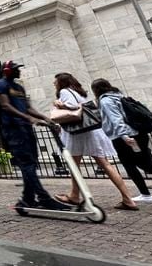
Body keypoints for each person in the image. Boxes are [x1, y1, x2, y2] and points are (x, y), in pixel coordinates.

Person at [91, 78, 152, 203]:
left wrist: (124, 136)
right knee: (146, 165)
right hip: (139, 134)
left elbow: (116, 119)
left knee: (129, 166)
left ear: (95, 90)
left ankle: (146, 194)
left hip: (124, 138)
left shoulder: (105, 101)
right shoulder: (119, 96)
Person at [51, 73, 138, 210]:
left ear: (62, 82)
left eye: (56, 81)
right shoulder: (80, 92)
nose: (54, 83)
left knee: (74, 165)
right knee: (105, 164)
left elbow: (74, 108)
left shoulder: (64, 91)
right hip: (91, 131)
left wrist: (60, 105)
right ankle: (127, 199)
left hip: (78, 133)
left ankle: (74, 195)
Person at [0, 60, 70, 211]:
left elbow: (28, 107)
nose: (19, 71)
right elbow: (5, 105)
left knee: (32, 162)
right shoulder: (0, 84)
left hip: (25, 128)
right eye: (16, 69)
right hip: (13, 128)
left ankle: (27, 199)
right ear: (7, 71)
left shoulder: (19, 87)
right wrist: (28, 118)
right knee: (27, 163)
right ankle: (44, 198)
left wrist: (45, 118)